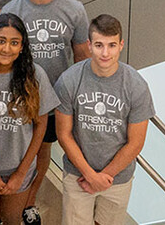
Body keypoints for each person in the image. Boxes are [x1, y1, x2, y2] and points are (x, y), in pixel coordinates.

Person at [0, 0, 90, 225]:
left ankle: (29, 203)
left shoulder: (73, 9)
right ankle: (8, 206)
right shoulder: (12, 11)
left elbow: (82, 58)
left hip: (55, 99)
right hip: (20, 99)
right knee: (21, 152)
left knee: (43, 150)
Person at [54, 14, 154, 225]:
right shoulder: (69, 80)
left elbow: (136, 142)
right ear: (89, 45)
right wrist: (90, 175)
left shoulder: (136, 85)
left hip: (117, 178)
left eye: (111, 45)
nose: (105, 53)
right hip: (78, 175)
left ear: (121, 45)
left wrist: (103, 177)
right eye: (99, 45)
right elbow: (63, 134)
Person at [0, 13, 60, 225]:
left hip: (17, 169)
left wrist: (21, 172)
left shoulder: (35, 75)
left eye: (14, 43)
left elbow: (41, 124)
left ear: (22, 47)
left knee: (11, 219)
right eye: (1, 41)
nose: (7, 49)